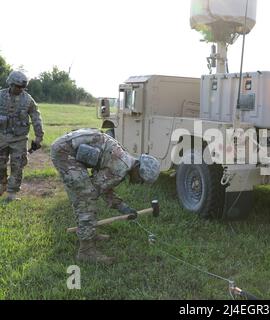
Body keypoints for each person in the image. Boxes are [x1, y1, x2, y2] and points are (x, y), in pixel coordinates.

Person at [51, 128, 160, 264]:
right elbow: (97, 189)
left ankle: (89, 233)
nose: (138, 183)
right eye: (141, 180)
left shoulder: (125, 160)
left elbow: (104, 185)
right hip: (65, 153)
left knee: (85, 193)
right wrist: (119, 205)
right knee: (86, 198)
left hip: (66, 149)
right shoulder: (121, 167)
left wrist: (122, 207)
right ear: (139, 171)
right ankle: (86, 250)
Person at [0, 70, 44, 202]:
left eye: (22, 87)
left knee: (17, 165)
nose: (20, 89)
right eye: (18, 87)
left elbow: (36, 117)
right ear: (11, 84)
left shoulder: (28, 100)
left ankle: (12, 194)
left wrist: (38, 136)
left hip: (19, 139)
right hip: (1, 137)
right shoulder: (0, 96)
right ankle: (2, 185)